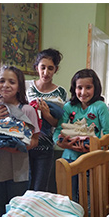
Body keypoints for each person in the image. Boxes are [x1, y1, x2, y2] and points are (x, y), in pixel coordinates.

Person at [0, 65, 39, 217]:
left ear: (19, 86)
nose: (6, 85)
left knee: (17, 213)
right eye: (2, 81)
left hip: (19, 169)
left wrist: (20, 146)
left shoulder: (27, 110)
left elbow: (35, 139)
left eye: (11, 82)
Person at [27, 48, 68, 192]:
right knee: (24, 189)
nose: (46, 72)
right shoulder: (27, 86)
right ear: (36, 67)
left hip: (45, 147)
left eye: (50, 68)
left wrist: (46, 114)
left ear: (55, 69)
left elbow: (60, 124)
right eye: (42, 67)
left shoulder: (60, 92)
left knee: (40, 189)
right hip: (25, 145)